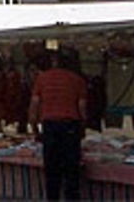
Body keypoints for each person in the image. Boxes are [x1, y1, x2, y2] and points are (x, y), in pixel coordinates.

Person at [28, 49, 88, 201]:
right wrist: (83, 128)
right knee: (71, 172)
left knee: (52, 171)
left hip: (50, 126)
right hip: (70, 126)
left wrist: (35, 131)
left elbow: (34, 106)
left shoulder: (42, 79)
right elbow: (82, 108)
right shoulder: (77, 80)